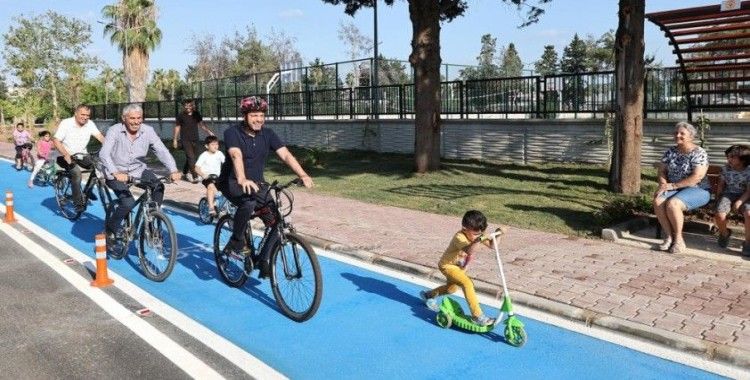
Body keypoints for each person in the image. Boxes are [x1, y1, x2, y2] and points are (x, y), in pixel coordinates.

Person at [217, 96, 313, 278]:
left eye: (261, 115)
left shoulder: (268, 134)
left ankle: (264, 260)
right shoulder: (232, 133)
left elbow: (285, 155)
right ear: (245, 116)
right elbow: (236, 155)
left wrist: (303, 174)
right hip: (232, 182)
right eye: (254, 115)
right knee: (248, 203)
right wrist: (242, 178)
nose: (258, 119)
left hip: (258, 184)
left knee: (277, 221)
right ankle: (236, 241)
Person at [100, 104, 181, 241]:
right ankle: (110, 230)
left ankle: (151, 221)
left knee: (158, 186)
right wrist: (115, 173)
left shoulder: (148, 131)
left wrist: (173, 169)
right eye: (132, 118)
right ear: (124, 118)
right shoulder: (114, 130)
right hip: (115, 172)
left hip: (138, 170)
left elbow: (161, 150)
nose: (136, 122)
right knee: (128, 203)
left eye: (139, 118)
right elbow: (104, 154)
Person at [419, 210, 499, 326]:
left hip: (458, 268)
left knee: (451, 289)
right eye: (475, 234)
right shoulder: (459, 237)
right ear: (465, 228)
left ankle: (428, 295)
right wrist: (478, 240)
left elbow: (493, 245)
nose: (478, 236)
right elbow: (469, 250)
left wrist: (499, 234)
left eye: (480, 233)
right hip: (447, 266)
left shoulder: (476, 235)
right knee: (467, 283)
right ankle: (478, 316)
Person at [653, 121, 710, 254]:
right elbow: (662, 171)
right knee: (658, 200)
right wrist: (663, 184)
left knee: (673, 204)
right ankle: (669, 237)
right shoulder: (670, 151)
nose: (677, 135)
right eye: (676, 133)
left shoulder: (699, 152)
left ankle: (679, 240)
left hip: (698, 189)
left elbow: (697, 177)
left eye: (682, 133)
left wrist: (673, 185)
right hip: (674, 188)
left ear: (691, 136)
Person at [52, 104, 105, 211]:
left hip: (81, 155)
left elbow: (100, 137)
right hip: (64, 155)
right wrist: (66, 154)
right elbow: (56, 140)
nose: (85, 117)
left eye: (87, 115)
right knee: (76, 174)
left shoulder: (89, 124)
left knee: (98, 166)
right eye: (82, 114)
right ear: (75, 113)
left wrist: (110, 148)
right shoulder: (66, 123)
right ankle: (78, 203)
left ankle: (87, 191)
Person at [713, 144, 750, 256]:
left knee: (749, 213)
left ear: (743, 160)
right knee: (720, 214)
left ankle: (748, 243)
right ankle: (724, 233)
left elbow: (749, 191)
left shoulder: (749, 171)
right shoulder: (725, 169)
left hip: (746, 196)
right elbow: (721, 185)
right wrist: (718, 199)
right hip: (728, 194)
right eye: (728, 157)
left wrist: (739, 202)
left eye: (732, 157)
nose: (729, 159)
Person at [173, 99, 214, 183]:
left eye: (190, 105)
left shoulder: (196, 114)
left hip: (195, 139)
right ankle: (195, 177)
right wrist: (175, 139)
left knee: (192, 158)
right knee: (191, 158)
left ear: (192, 106)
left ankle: (184, 173)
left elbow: (202, 125)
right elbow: (177, 127)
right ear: (184, 106)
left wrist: (209, 132)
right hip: (185, 140)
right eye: (186, 105)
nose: (188, 107)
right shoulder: (180, 115)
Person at [194, 135, 225, 217]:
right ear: (207, 146)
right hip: (206, 177)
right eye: (213, 144)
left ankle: (221, 204)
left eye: (217, 144)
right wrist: (203, 175)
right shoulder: (204, 155)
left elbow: (225, 163)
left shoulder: (219, 153)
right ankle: (211, 207)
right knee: (210, 186)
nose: (216, 146)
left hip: (217, 177)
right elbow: (196, 168)